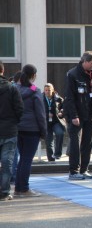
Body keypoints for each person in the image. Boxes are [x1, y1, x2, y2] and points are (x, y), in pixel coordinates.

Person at [64, 51, 92, 180]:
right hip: (76, 115)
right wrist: (74, 116)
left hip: (90, 114)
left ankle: (84, 169)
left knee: (88, 142)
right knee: (75, 143)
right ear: (84, 62)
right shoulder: (73, 74)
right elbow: (69, 98)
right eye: (91, 63)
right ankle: (73, 171)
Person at [14, 64, 47, 197]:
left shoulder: (15, 89)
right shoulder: (35, 91)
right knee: (27, 159)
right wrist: (44, 131)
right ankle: (25, 189)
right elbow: (40, 113)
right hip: (32, 129)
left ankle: (17, 188)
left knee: (22, 159)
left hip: (17, 128)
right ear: (34, 76)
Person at [0, 62, 23, 201]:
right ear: (3, 70)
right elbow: (20, 109)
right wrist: (13, 122)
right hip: (9, 130)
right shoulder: (12, 88)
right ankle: (5, 191)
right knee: (7, 162)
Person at [43, 83, 66, 162]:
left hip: (56, 121)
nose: (47, 92)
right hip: (46, 123)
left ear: (52, 90)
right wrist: (46, 114)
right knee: (49, 143)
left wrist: (62, 113)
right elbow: (38, 111)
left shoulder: (58, 98)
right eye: (46, 90)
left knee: (60, 133)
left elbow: (64, 107)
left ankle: (57, 153)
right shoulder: (40, 99)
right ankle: (51, 159)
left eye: (49, 90)